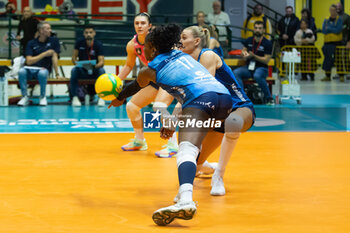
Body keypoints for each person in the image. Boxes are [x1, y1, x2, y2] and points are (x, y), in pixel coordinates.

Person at [109, 24, 233, 226]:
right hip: (224, 99)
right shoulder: (181, 54)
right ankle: (184, 191)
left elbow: (134, 86)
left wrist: (118, 98)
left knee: (186, 149)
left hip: (201, 99)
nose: (144, 51)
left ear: (154, 48)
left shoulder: (150, 69)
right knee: (195, 147)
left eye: (147, 47)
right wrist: (174, 120)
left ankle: (186, 200)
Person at [179, 25, 255, 195]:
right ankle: (208, 166)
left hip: (238, 107)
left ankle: (219, 175)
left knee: (233, 123)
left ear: (196, 41)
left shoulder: (207, 55)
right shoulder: (187, 63)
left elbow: (204, 92)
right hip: (218, 113)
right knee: (195, 165)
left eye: (184, 38)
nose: (180, 41)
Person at [117, 12, 177, 157]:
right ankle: (139, 141)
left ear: (149, 26)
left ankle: (173, 145)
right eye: (137, 23)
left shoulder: (159, 40)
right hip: (154, 80)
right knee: (132, 107)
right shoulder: (132, 45)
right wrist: (115, 81)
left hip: (170, 77)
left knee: (160, 106)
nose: (139, 26)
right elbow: (128, 66)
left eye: (143, 23)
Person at [17, 21, 62, 106]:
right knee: (21, 72)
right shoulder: (31, 43)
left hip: (43, 69)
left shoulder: (54, 41)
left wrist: (57, 74)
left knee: (42, 73)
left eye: (50, 28)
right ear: (41, 30)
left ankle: (42, 96)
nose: (50, 30)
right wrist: (44, 54)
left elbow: (54, 57)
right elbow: (29, 61)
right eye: (48, 28)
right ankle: (25, 97)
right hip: (30, 69)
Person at [234, 21, 274, 105]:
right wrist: (244, 55)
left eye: (260, 28)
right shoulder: (249, 40)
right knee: (236, 72)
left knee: (257, 75)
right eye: (256, 28)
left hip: (262, 68)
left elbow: (266, 60)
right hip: (249, 67)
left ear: (263, 30)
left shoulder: (267, 43)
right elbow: (243, 51)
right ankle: (242, 98)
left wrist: (254, 56)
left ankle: (268, 98)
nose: (257, 30)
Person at [70, 24, 106, 107]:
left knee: (102, 71)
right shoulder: (79, 43)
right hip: (82, 70)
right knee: (74, 70)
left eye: (90, 32)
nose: (88, 34)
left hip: (94, 70)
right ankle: (75, 98)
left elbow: (101, 62)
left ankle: (102, 98)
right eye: (86, 32)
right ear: (83, 34)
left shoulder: (98, 44)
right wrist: (78, 64)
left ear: (94, 33)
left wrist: (94, 66)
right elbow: (74, 58)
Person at [321, 4, 343, 82]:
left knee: (339, 60)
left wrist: (329, 28)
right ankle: (327, 76)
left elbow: (338, 30)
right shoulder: (326, 19)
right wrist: (332, 28)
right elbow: (324, 30)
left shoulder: (339, 19)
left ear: (336, 11)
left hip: (336, 43)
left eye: (333, 10)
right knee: (327, 59)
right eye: (330, 10)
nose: (332, 12)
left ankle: (341, 76)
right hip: (327, 42)